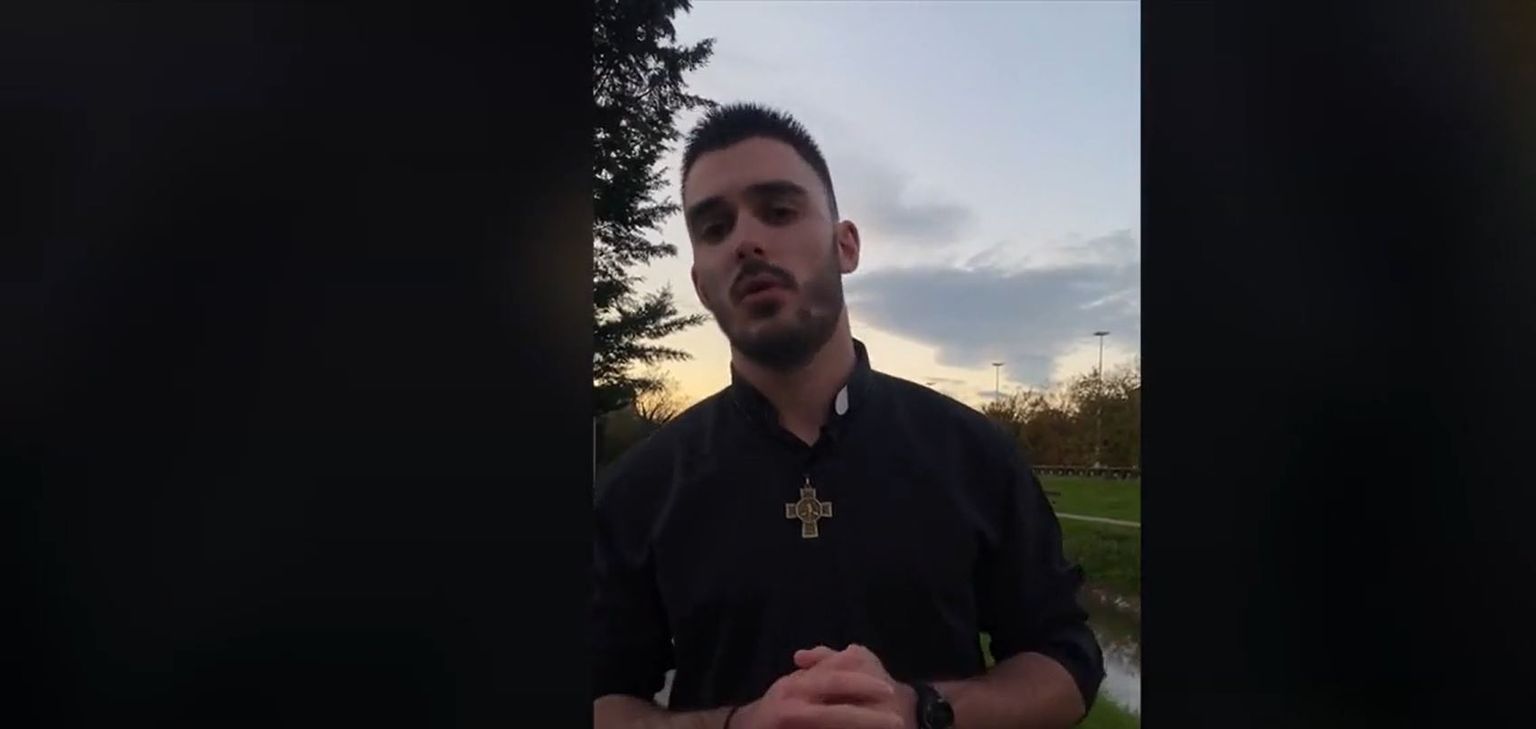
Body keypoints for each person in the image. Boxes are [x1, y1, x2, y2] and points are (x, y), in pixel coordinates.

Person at [592, 103, 1103, 729]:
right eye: (716, 227)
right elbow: (602, 698)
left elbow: (1066, 662)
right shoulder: (638, 490)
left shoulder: (973, 452)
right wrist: (736, 725)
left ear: (846, 245)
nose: (746, 241)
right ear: (701, 284)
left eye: (779, 211)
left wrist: (925, 710)